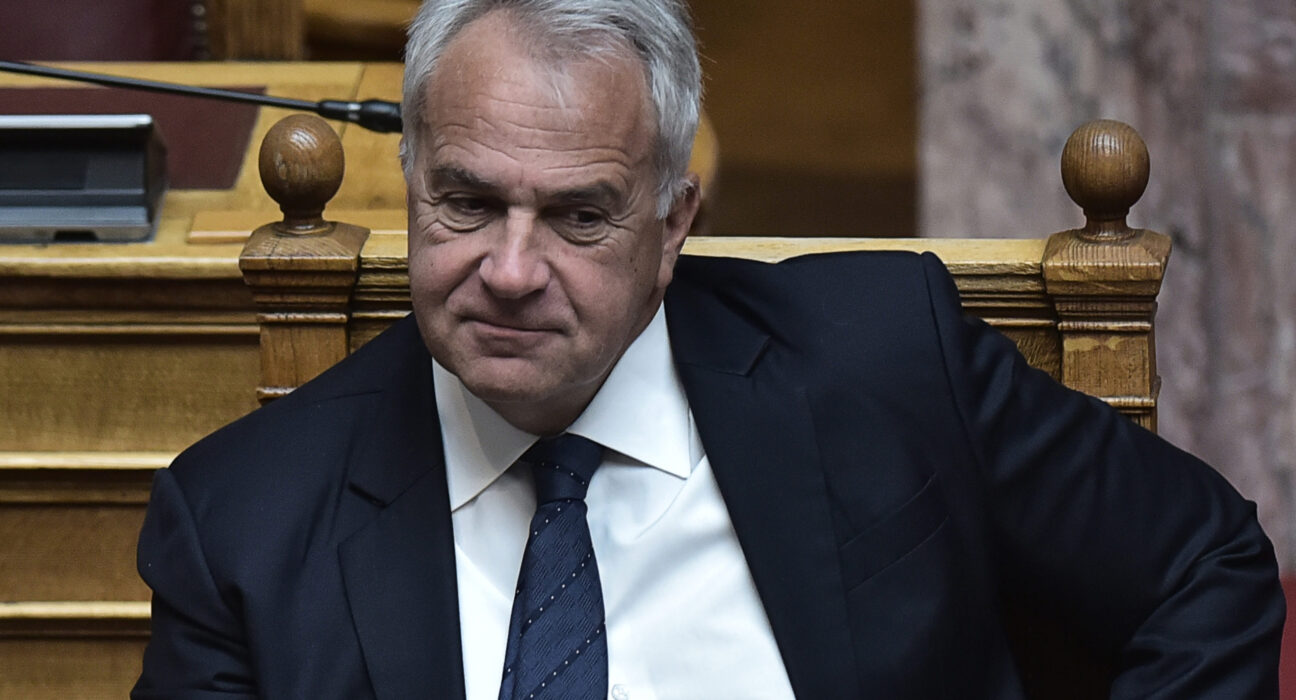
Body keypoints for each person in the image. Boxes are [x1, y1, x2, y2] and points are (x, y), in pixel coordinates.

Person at [133, 0, 1284, 698]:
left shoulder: (886, 359)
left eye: (580, 217)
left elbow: (1207, 568)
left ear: (674, 222)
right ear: (411, 181)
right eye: (468, 203)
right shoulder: (245, 522)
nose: (512, 270)